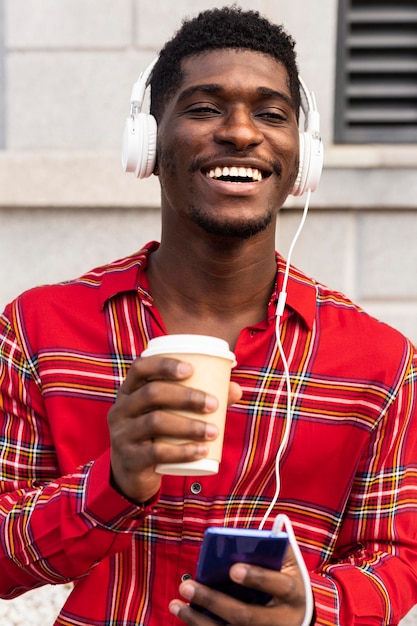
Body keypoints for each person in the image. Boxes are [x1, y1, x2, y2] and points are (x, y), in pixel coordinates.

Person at [0, 5, 417, 625]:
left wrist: (311, 611)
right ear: (146, 142)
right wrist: (112, 482)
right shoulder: (39, 329)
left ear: (304, 155)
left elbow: (397, 556)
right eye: (204, 107)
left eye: (272, 113)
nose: (242, 132)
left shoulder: (381, 362)